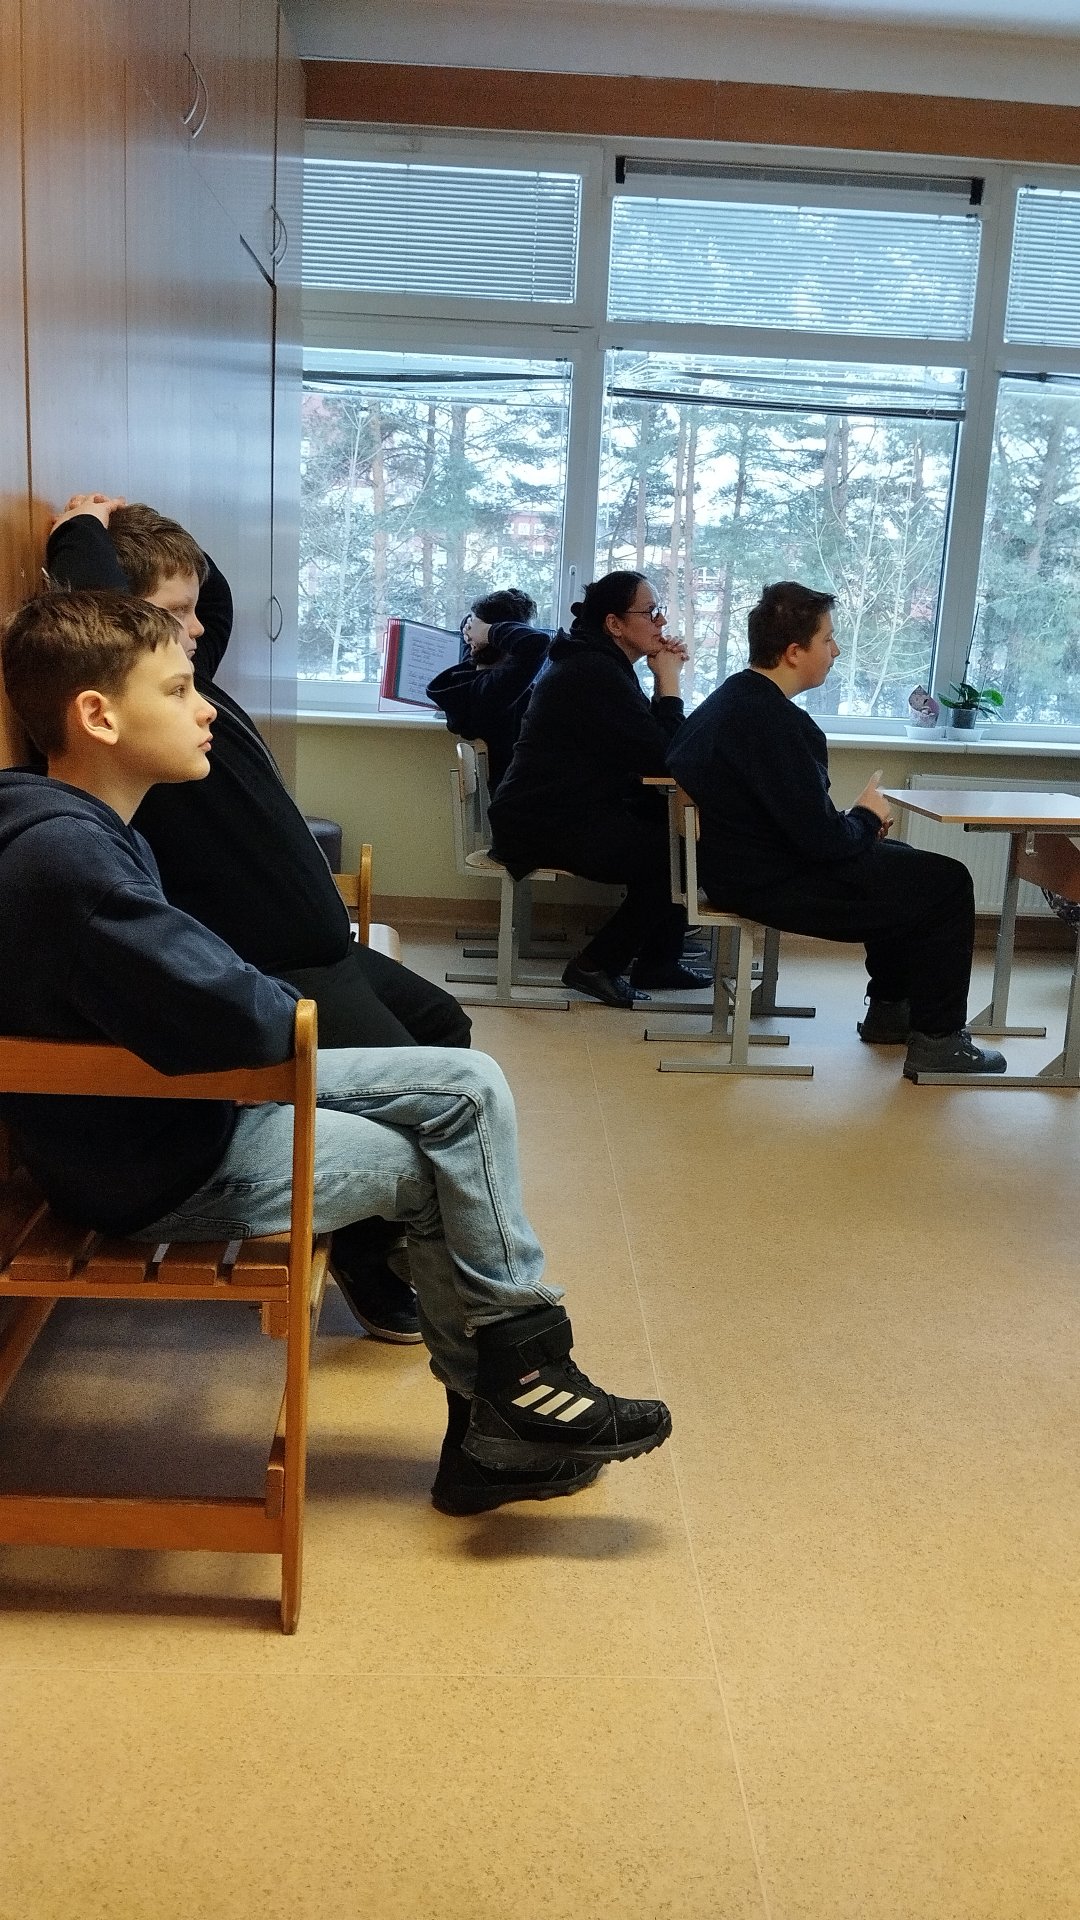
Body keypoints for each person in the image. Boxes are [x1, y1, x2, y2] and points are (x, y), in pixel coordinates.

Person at [0, 588, 672, 1516]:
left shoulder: (61, 829)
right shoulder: (74, 865)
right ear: (97, 716)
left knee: (459, 1106)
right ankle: (514, 1393)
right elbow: (241, 1018)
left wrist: (251, 995)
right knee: (460, 1107)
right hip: (158, 1168)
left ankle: (511, 1404)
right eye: (178, 690)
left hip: (160, 1128)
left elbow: (204, 997)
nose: (205, 710)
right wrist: (273, 1001)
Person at [46, 494, 473, 1343]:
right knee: (408, 1098)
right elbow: (113, 618)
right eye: (173, 615)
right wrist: (80, 540)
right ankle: (367, 1257)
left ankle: (383, 1238)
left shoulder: (192, 685)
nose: (197, 629)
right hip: (280, 968)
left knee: (444, 1027)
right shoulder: (144, 722)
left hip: (327, 950)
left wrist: (139, 526)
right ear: (130, 630)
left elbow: (213, 599)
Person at [667, 581, 1007, 1081]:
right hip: (770, 882)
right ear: (793, 651)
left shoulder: (729, 701)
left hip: (736, 869)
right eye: (827, 639)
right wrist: (864, 816)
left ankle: (890, 1010)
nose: (836, 650)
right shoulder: (775, 723)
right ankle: (938, 1040)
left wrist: (859, 824)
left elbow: (790, 818)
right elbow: (823, 842)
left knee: (906, 862)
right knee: (947, 881)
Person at [488, 571, 711, 1009]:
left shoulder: (599, 662)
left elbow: (645, 743)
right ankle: (595, 965)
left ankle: (658, 961)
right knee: (675, 856)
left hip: (563, 811)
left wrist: (661, 682)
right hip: (542, 823)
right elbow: (664, 755)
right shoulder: (592, 671)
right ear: (614, 624)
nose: (662, 622)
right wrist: (669, 684)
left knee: (674, 837)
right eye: (651, 612)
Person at [426, 587, 552, 791]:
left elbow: (467, 631)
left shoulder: (466, 679)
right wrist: (485, 631)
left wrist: (474, 629)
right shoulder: (494, 689)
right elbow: (538, 642)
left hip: (514, 794)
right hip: (530, 795)